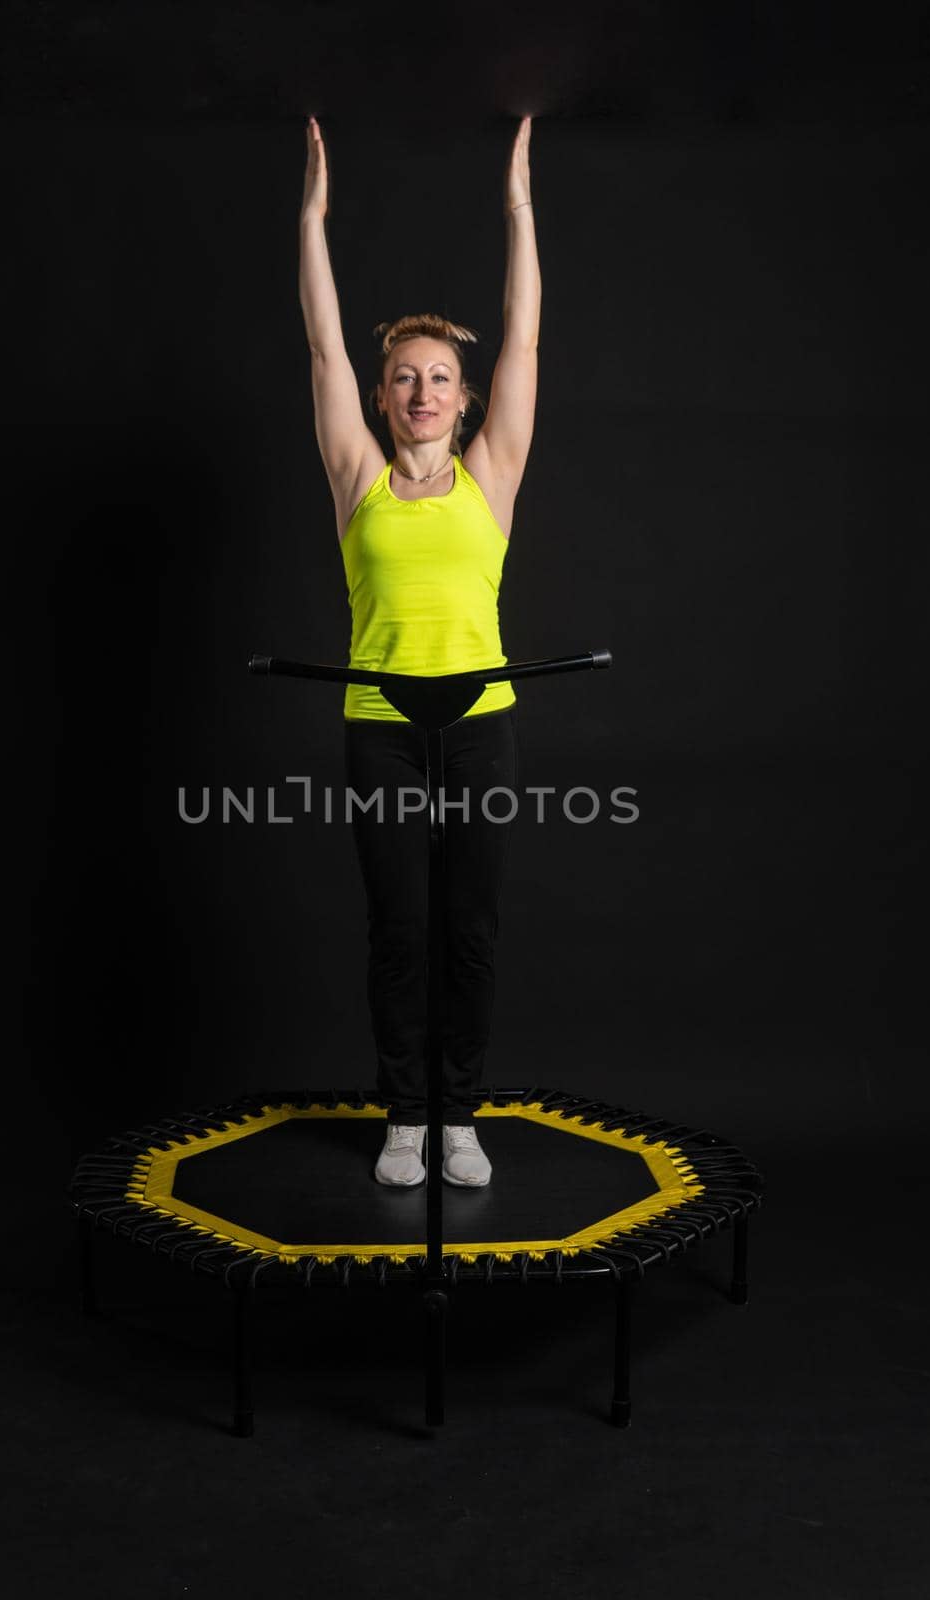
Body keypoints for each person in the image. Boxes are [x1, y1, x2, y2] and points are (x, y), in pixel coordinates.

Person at [298, 114, 540, 1189]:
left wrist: (517, 211)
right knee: (398, 928)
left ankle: (458, 1117)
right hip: (382, 731)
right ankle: (405, 1116)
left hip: (478, 726)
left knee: (471, 934)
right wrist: (311, 218)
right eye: (403, 375)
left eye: (438, 375)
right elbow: (320, 342)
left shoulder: (492, 473)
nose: (421, 390)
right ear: (383, 393)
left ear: (464, 394)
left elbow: (523, 337)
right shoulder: (355, 475)